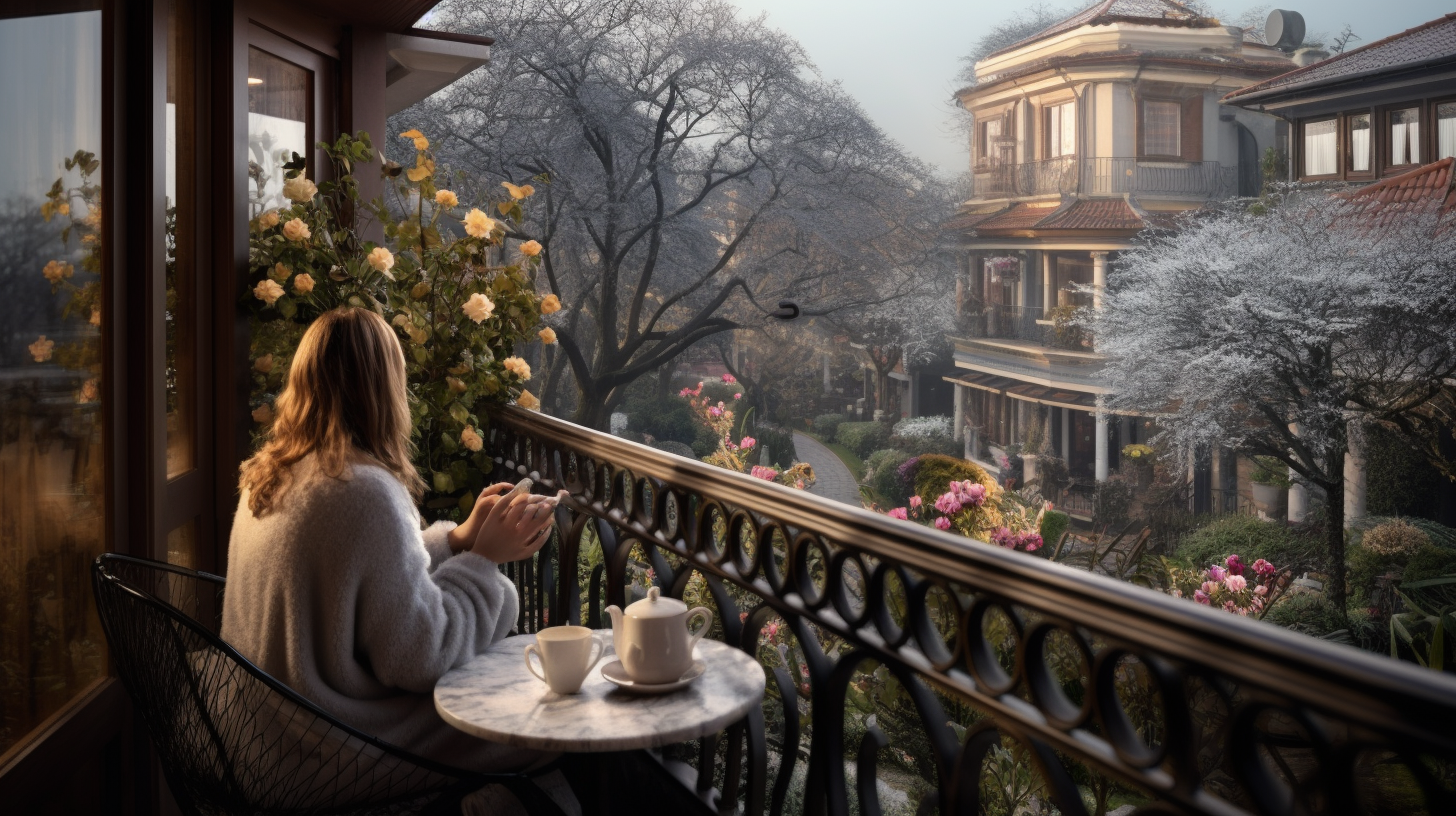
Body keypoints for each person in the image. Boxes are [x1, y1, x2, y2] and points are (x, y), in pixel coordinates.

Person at [222, 306, 569, 812]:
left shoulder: (274, 474)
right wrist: (484, 561)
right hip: (325, 756)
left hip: (260, 738)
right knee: (542, 714)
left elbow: (356, 576)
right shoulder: (362, 491)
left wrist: (459, 540)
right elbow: (420, 656)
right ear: (384, 388)